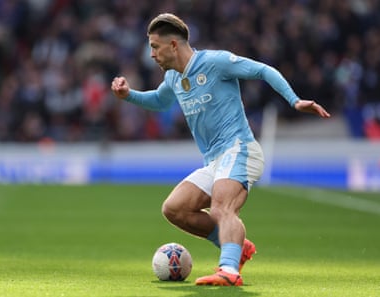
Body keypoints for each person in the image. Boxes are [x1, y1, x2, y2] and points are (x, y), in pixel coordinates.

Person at [111, 13, 331, 286]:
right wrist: (128, 95)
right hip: (214, 160)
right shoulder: (173, 78)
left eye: (155, 46)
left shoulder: (215, 62)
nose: (152, 54)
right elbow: (159, 101)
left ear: (174, 45)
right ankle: (237, 244)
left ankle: (229, 269)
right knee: (174, 209)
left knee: (221, 207)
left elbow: (263, 70)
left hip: (240, 149)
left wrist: (295, 100)